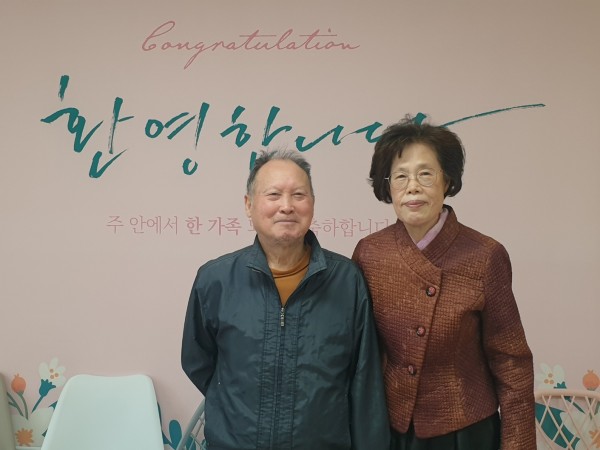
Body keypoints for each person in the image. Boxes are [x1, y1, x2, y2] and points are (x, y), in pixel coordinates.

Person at [181, 149, 390, 450]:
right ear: (249, 205)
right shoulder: (216, 279)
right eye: (274, 195)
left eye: (299, 195)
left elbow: (364, 378)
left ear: (312, 204)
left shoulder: (346, 280)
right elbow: (197, 361)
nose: (287, 206)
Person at [352, 117, 536, 450]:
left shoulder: (485, 255)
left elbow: (511, 361)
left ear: (447, 180)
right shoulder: (370, 253)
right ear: (387, 186)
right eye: (400, 176)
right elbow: (361, 351)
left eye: (425, 174)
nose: (412, 187)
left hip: (465, 430)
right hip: (391, 429)